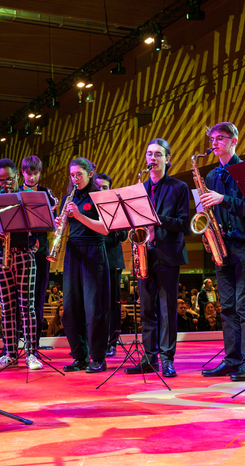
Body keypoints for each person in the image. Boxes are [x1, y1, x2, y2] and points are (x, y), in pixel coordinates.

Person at [199, 122, 245, 382]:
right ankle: (232, 358)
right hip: (222, 245)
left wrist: (223, 199)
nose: (214, 143)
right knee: (227, 307)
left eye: (220, 138)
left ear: (234, 140)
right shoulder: (212, 176)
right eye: (212, 139)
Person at [123, 138, 190, 378]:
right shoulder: (139, 190)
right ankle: (149, 358)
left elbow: (184, 224)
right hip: (144, 254)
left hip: (168, 255)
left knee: (167, 310)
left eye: (158, 154)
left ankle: (167, 359)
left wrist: (156, 218)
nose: (153, 158)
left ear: (167, 159)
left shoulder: (179, 187)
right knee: (146, 311)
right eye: (150, 154)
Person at [0, 158, 42, 371]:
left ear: (17, 175)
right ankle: (9, 353)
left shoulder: (28, 198)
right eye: (1, 181)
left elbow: (42, 226)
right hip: (2, 255)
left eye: (9, 179)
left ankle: (31, 354)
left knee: (27, 307)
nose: (6, 184)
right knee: (6, 308)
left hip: (25, 254)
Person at [59, 157, 111, 373]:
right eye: (72, 175)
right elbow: (64, 227)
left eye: (79, 174)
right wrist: (59, 224)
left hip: (93, 251)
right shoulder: (68, 197)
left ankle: (98, 357)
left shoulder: (100, 196)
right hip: (73, 251)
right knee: (71, 308)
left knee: (94, 308)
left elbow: (106, 229)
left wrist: (79, 216)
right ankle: (79, 356)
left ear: (91, 174)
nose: (75, 179)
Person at [20, 155, 58, 351]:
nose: (32, 177)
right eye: (29, 173)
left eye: (35, 174)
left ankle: (34, 344)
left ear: (39, 173)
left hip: (41, 249)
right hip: (21, 249)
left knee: (38, 297)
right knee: (20, 299)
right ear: (22, 173)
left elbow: (54, 215)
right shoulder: (16, 193)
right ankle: (16, 343)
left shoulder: (46, 192)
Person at [94, 173, 128, 358]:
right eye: (98, 186)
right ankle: (94, 343)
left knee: (112, 304)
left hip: (113, 260)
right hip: (93, 259)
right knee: (94, 303)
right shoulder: (89, 207)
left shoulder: (117, 208)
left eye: (105, 187)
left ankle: (112, 343)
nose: (101, 190)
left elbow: (123, 236)